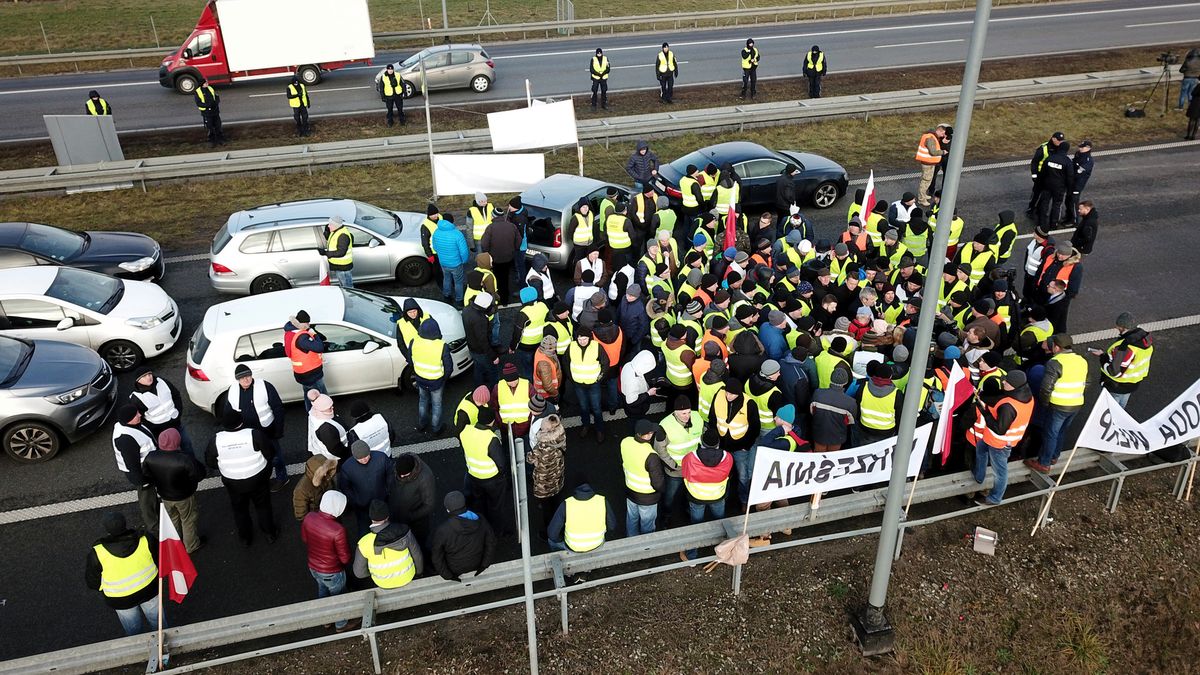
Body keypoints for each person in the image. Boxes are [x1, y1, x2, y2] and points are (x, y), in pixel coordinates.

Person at [206, 407, 278, 546]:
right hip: (258, 479)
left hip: (233, 481)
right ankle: (269, 533)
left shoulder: (216, 440)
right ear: (241, 421)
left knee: (240, 510)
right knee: (263, 506)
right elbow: (270, 453)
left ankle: (245, 538)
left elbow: (210, 462)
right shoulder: (254, 434)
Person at [85, 512, 159, 636]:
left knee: (133, 629)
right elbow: (160, 559)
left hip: (121, 599)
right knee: (158, 622)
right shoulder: (146, 539)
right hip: (149, 590)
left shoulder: (97, 552)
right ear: (125, 524)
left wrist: (104, 588)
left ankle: (138, 649)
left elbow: (92, 582)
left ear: (107, 530)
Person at [968, 370, 1033, 506]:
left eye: (1006, 382)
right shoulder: (1027, 397)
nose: (1003, 382)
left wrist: (984, 411)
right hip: (994, 439)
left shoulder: (1008, 406)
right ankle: (979, 476)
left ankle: (995, 498)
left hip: (999, 443)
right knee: (980, 450)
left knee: (1000, 472)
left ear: (1014, 386)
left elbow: (999, 429)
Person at [1028, 334, 1088, 473]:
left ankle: (1044, 463)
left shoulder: (1055, 362)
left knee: (1050, 433)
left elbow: (1046, 387)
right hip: (1076, 402)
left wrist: (1045, 403)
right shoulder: (1081, 360)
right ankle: (1054, 456)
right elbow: (1088, 381)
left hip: (1058, 405)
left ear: (1056, 347)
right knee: (1061, 431)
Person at [300, 490, 358, 632]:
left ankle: (326, 620)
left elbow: (305, 539)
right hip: (332, 571)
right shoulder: (337, 530)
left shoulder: (309, 517)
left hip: (313, 567)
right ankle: (341, 624)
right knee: (339, 597)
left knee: (322, 590)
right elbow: (345, 557)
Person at [142, 428, 206, 554]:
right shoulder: (184, 459)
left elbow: (146, 474)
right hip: (183, 496)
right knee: (188, 519)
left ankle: (175, 543)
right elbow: (199, 474)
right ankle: (191, 545)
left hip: (165, 495)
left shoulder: (151, 457)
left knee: (173, 519)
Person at [226, 364, 288, 491]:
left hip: (267, 430)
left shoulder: (265, 386)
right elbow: (229, 412)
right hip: (247, 434)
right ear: (237, 379)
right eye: (242, 378)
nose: (246, 379)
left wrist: (278, 430)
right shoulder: (232, 390)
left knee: (276, 456)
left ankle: (282, 478)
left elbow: (278, 408)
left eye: (248, 376)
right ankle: (262, 480)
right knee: (256, 458)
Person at [459, 408, 514, 536]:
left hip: (473, 476)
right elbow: (501, 463)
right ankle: (497, 531)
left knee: (479, 505)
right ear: (492, 421)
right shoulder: (491, 438)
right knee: (496, 507)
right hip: (493, 480)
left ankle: (480, 528)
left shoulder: (465, 431)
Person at [680, 430, 733, 560]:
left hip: (696, 496)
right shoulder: (727, 457)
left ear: (701, 442)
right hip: (718, 495)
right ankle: (722, 552)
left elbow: (685, 473)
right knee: (720, 523)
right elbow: (728, 474)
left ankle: (692, 556)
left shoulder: (690, 457)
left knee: (696, 525)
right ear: (718, 443)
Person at [111, 404, 159, 537]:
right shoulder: (125, 438)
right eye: (136, 414)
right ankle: (154, 526)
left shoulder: (130, 426)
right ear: (128, 420)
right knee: (147, 500)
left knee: (151, 498)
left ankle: (157, 515)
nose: (140, 415)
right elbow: (132, 464)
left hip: (148, 469)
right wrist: (143, 481)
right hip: (143, 474)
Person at [1090, 312, 1154, 409]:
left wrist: (1103, 357)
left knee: (1107, 413)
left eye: (1118, 326)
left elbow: (1114, 372)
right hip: (1131, 384)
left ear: (1124, 327)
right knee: (1119, 412)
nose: (1116, 328)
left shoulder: (1125, 347)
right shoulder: (1144, 340)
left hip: (1115, 386)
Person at [353, 500, 424, 588]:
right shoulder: (405, 532)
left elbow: (359, 573)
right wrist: (419, 572)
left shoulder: (364, 543)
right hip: (407, 577)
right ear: (387, 516)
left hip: (382, 583)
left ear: (371, 518)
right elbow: (417, 555)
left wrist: (374, 573)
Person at [431, 491, 497, 581]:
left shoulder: (442, 531)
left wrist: (448, 576)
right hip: (477, 563)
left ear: (448, 510)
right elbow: (491, 543)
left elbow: (437, 557)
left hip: (455, 568)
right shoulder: (481, 519)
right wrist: (484, 565)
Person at [128, 366, 191, 457]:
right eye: (144, 376)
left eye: (149, 374)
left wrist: (178, 412)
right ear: (138, 380)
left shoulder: (162, 382)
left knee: (186, 445)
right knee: (168, 453)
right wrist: (153, 427)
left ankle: (193, 464)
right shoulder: (136, 397)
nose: (149, 377)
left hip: (176, 422)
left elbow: (176, 395)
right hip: (160, 430)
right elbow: (139, 417)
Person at [407, 318, 453, 435]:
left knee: (423, 401)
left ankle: (422, 425)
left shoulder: (414, 342)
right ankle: (436, 428)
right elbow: (449, 367)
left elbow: (410, 360)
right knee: (437, 405)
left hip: (420, 378)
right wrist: (443, 379)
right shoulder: (441, 345)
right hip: (436, 381)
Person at [622, 419, 667, 537]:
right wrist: (663, 490)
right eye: (651, 432)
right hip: (648, 498)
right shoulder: (651, 455)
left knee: (631, 519)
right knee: (647, 524)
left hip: (630, 492)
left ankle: (631, 542)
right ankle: (646, 548)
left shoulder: (625, 442)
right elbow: (658, 483)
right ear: (647, 435)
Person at [339, 439, 394, 536]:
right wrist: (355, 500)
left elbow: (391, 473)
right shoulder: (347, 467)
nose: (364, 459)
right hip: (362, 507)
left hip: (382, 502)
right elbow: (345, 487)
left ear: (370, 452)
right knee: (364, 533)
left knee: (387, 530)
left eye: (366, 456)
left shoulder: (381, 458)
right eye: (360, 458)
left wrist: (388, 489)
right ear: (354, 457)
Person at [527, 412, 567, 539]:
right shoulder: (561, 436)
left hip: (544, 483)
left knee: (547, 510)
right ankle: (560, 527)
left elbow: (529, 458)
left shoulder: (542, 446)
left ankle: (548, 533)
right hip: (558, 476)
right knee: (557, 504)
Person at [547, 481, 616, 553]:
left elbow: (552, 534)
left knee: (551, 540)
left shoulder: (567, 504)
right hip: (597, 545)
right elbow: (612, 526)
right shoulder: (602, 501)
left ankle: (559, 554)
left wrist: (561, 539)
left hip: (573, 548)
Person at [387, 453, 437, 547]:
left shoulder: (425, 477)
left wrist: (410, 516)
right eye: (399, 475)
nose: (401, 477)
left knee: (419, 546)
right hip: (396, 517)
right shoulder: (398, 467)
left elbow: (429, 505)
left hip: (416, 524)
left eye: (405, 475)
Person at [568, 331, 609, 441]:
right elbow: (566, 362)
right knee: (583, 407)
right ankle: (586, 425)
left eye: (584, 339)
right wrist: (571, 378)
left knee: (596, 408)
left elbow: (605, 362)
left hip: (593, 384)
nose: (582, 342)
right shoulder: (571, 346)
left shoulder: (597, 346)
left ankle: (599, 429)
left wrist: (599, 378)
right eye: (579, 339)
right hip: (578, 384)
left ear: (589, 338)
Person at [285, 311, 327, 412]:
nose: (308, 326)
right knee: (321, 396)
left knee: (308, 395)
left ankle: (310, 414)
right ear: (302, 324)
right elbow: (320, 347)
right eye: (307, 323)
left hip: (302, 373)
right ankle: (325, 413)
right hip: (311, 374)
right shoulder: (301, 337)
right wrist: (314, 334)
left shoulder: (290, 332)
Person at [1033, 135, 1075, 230]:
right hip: (1059, 188)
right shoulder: (1067, 161)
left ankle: (1041, 222)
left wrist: (1039, 183)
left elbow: (1042, 172)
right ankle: (1053, 224)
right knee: (1057, 205)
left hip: (1047, 185)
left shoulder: (1050, 158)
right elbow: (1070, 177)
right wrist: (1069, 189)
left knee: (1044, 203)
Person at [480, 208, 522, 303]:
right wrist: (513, 250)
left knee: (496, 278)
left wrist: (488, 253)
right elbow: (519, 242)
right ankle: (505, 299)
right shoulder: (512, 226)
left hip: (495, 259)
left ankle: (498, 299)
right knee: (506, 277)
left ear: (494, 216)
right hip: (509, 258)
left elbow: (484, 244)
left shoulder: (490, 228)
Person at [810, 367, 856, 451]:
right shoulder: (850, 402)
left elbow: (812, 412)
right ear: (845, 382)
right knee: (832, 458)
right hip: (837, 437)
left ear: (831, 379)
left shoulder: (817, 393)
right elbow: (850, 421)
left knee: (818, 457)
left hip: (819, 434)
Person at [463, 292, 501, 388]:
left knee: (478, 368)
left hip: (472, 347)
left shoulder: (467, 309)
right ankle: (494, 390)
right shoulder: (480, 319)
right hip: (481, 351)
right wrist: (493, 356)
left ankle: (478, 386)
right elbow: (483, 341)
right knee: (493, 370)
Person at [432, 213, 470, 305]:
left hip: (443, 262)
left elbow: (435, 247)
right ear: (452, 221)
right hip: (456, 263)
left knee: (446, 278)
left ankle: (447, 296)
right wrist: (464, 260)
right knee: (458, 282)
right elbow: (464, 251)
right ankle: (459, 299)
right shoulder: (457, 234)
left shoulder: (436, 232)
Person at [1027, 131, 1066, 216]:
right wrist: (1034, 175)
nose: (1060, 142)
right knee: (1036, 194)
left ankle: (1040, 211)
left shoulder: (1061, 148)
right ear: (1053, 139)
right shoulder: (1044, 148)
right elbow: (1035, 162)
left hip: (1051, 176)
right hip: (1041, 176)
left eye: (1061, 141)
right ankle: (1031, 209)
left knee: (1045, 196)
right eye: (1058, 140)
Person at [293, 455, 339, 521]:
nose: (326, 474)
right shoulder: (301, 490)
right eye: (322, 472)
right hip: (317, 518)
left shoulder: (326, 475)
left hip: (329, 512)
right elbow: (301, 515)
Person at [307, 391, 349, 460]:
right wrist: (348, 454)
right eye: (329, 408)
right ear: (321, 410)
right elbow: (336, 449)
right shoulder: (326, 429)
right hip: (335, 458)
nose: (332, 407)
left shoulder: (314, 411)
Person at [914, 124, 948, 207]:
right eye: (943, 133)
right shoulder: (931, 138)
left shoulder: (931, 136)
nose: (943, 136)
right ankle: (922, 199)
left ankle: (923, 195)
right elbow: (933, 152)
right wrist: (943, 152)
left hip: (928, 162)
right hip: (928, 163)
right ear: (939, 131)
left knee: (926, 179)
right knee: (926, 180)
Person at [321, 215, 355, 288]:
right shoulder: (336, 231)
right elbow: (332, 240)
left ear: (335, 225)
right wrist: (326, 232)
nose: (328, 226)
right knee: (343, 285)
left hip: (343, 268)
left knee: (348, 288)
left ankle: (350, 299)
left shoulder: (343, 236)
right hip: (339, 266)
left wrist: (325, 253)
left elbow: (341, 252)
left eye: (330, 225)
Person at [1066, 140, 1094, 221]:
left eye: (1082, 147)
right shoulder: (1078, 154)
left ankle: (1075, 220)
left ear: (1088, 148)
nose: (1080, 148)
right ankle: (1069, 217)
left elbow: (1080, 174)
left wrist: (1076, 187)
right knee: (1068, 200)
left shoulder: (1088, 161)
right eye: (1080, 146)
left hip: (1077, 184)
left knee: (1073, 202)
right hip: (1072, 181)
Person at [194, 77, 224, 146]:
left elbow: (216, 96)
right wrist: (208, 105)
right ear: (202, 84)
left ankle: (221, 139)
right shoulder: (198, 92)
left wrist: (216, 102)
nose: (207, 83)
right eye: (206, 82)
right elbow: (198, 103)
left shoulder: (210, 88)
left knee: (218, 126)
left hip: (215, 111)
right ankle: (212, 141)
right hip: (207, 113)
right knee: (210, 127)